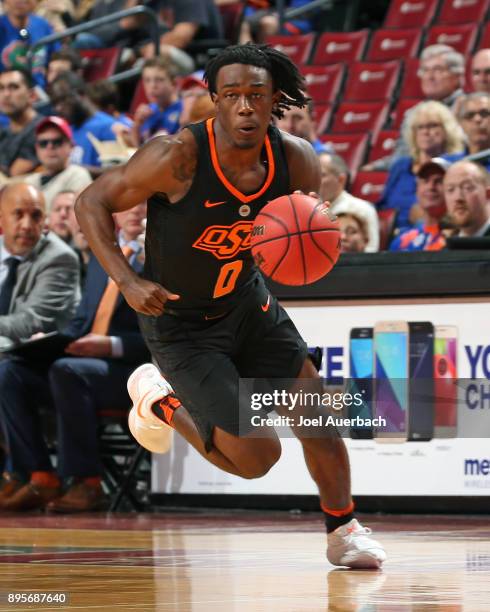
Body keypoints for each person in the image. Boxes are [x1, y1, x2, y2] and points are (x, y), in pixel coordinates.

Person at [75, 43, 386, 568]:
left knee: (317, 417)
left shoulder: (296, 159)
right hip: (181, 325)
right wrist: (126, 280)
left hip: (247, 306)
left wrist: (307, 245)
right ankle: (159, 399)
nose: (245, 106)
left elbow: (300, 233)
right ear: (214, 101)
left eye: (257, 96)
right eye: (233, 96)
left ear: (275, 101)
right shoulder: (175, 157)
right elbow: (91, 203)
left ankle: (343, 529)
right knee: (258, 459)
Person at [0, 203, 150, 512]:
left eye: (145, 204)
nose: (136, 211)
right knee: (9, 372)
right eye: (128, 204)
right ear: (114, 213)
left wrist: (109, 345)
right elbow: (81, 323)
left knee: (67, 371)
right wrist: (50, 340)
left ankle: (87, 482)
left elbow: (164, 339)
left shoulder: (163, 263)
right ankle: (39, 474)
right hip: (80, 369)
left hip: (135, 373)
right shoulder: (101, 256)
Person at [0, 183, 80, 348]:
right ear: (1, 218)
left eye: (36, 216)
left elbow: (31, 323)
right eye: (18, 214)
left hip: (28, 357)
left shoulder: (60, 258)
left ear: (45, 220)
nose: (27, 225)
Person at [366, 44, 465, 171]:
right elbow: (401, 156)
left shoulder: (470, 108)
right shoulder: (413, 113)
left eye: (438, 70)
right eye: (425, 70)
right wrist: (374, 167)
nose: (430, 77)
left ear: (457, 77)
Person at [376, 100, 464, 230]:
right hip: (393, 235)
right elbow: (383, 206)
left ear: (447, 130)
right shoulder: (400, 166)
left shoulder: (457, 163)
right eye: (420, 127)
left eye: (433, 126)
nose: (426, 132)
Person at [48, 72, 119, 171]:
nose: (58, 108)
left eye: (63, 99)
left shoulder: (107, 127)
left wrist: (72, 170)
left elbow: (118, 172)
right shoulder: (67, 131)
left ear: (80, 94)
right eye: (55, 103)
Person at [22, 116, 92, 210]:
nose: (49, 147)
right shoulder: (30, 181)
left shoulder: (78, 175)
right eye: (43, 143)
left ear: (71, 146)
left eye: (57, 142)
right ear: (37, 149)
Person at [318, 153, 379, 252]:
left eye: (322, 175)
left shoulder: (363, 209)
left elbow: (371, 251)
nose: (316, 180)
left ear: (341, 179)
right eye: (314, 174)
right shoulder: (311, 210)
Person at [389, 159, 449, 252]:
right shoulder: (401, 242)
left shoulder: (457, 238)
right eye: (425, 181)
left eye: (439, 181)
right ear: (417, 189)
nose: (431, 187)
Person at [0, 0, 60, 88]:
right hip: (6, 95)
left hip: (40, 92)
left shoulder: (42, 25)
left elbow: (57, 57)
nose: (20, 1)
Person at [129, 58, 182, 147]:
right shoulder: (148, 110)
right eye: (147, 80)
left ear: (174, 83)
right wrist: (137, 125)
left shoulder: (183, 110)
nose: (152, 86)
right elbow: (136, 148)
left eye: (159, 80)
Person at [0, 69, 41, 177]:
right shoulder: (3, 132)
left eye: (14, 87)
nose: (6, 94)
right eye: (1, 88)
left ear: (31, 95)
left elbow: (10, 177)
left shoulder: (42, 130)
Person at [443, 160, 490, 237]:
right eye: (450, 189)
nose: (458, 197)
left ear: (488, 194)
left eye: (467, 188)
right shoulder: (446, 246)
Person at [444, 93, 490, 171]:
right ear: (461, 123)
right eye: (469, 115)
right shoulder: (447, 164)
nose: (477, 119)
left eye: (484, 113)